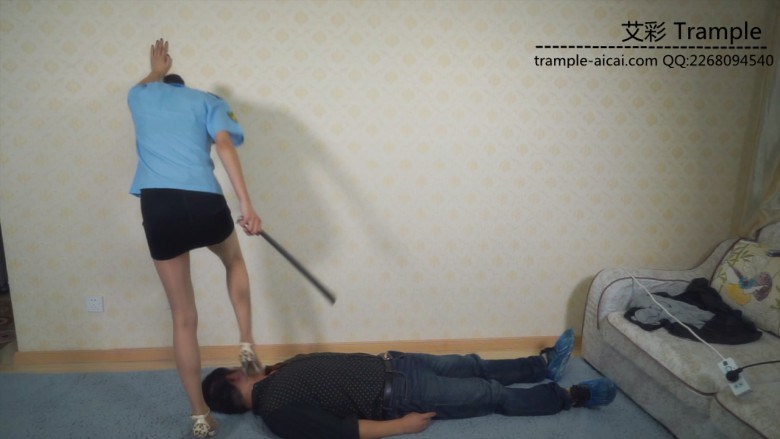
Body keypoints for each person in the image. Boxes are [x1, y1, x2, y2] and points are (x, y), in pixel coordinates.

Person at [128, 39, 263, 438]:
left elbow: (147, 84)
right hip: (203, 200)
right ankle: (246, 341)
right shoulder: (208, 100)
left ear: (160, 83)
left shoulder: (140, 95)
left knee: (183, 318)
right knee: (233, 260)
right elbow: (224, 144)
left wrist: (156, 68)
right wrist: (247, 205)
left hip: (159, 205)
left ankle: (200, 417)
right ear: (184, 86)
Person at [202, 329, 617, 439]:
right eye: (238, 368)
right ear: (235, 377)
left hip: (397, 363)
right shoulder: (276, 412)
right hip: (400, 395)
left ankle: (541, 365)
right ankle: (570, 398)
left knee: (473, 365)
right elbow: (341, 431)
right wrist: (400, 426)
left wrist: (270, 367)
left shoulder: (275, 374)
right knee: (486, 395)